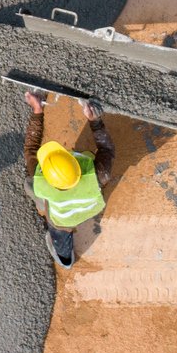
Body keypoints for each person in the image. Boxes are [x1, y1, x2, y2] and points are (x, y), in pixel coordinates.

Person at [24, 90, 115, 269]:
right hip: (87, 208)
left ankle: (65, 259)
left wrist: (37, 110)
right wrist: (94, 121)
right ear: (73, 162)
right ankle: (64, 256)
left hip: (62, 219)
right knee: (91, 160)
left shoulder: (41, 181)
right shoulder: (96, 176)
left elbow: (31, 148)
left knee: (29, 185)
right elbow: (107, 149)